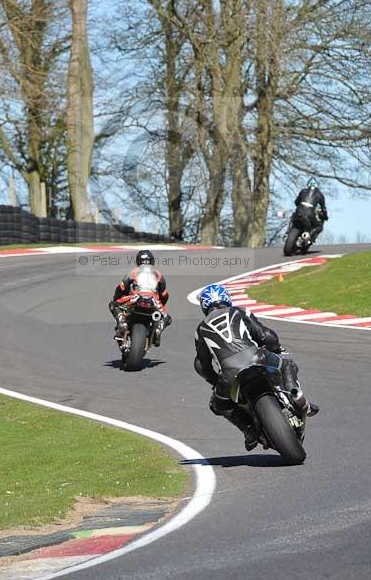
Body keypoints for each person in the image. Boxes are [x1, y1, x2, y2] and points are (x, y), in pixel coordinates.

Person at [194, 283, 318, 451]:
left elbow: (201, 364)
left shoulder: (200, 329)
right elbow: (266, 336)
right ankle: (295, 396)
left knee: (218, 404)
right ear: (227, 299)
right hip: (256, 357)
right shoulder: (240, 311)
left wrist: (215, 381)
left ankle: (249, 430)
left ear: (204, 305)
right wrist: (275, 347)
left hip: (229, 373)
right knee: (287, 364)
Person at [109, 250, 172, 346]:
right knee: (167, 317)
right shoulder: (159, 274)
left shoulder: (133, 272)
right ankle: (158, 329)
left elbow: (121, 287)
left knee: (113, 305)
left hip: (135, 298)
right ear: (152, 261)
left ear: (138, 261)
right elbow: (164, 294)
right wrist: (161, 305)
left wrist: (117, 298)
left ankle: (122, 323)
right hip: (153, 301)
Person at [293, 177, 328, 242]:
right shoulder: (320, 195)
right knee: (319, 226)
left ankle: (287, 233)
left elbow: (296, 202)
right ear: (317, 186)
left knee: (292, 217)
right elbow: (323, 208)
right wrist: (325, 216)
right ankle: (309, 235)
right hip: (310, 214)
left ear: (308, 185)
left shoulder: (303, 191)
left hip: (299, 211)